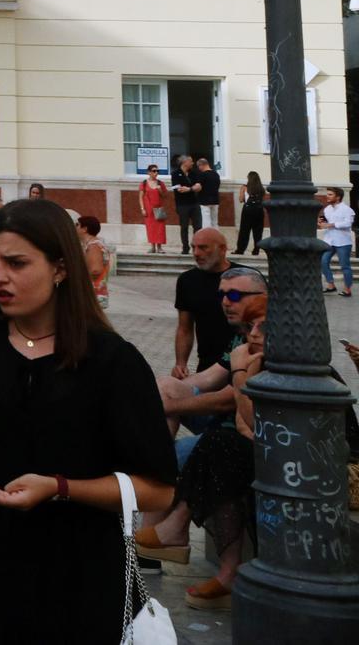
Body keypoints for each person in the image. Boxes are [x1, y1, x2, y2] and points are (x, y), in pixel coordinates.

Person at [0, 199, 176, 645]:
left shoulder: (113, 361)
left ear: (60, 268)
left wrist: (60, 488)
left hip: (82, 577)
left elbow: (157, 487)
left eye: (17, 263)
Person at [139, 264, 268, 567]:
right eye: (222, 295)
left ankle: (156, 540)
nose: (225, 302)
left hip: (248, 433)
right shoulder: (243, 333)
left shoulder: (267, 333)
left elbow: (231, 400)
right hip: (229, 426)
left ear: (263, 295)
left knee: (167, 455)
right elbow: (206, 379)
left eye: (234, 295)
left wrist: (169, 405)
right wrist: (156, 396)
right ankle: (150, 539)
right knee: (165, 388)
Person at [172, 312, 267, 612]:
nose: (253, 334)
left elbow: (252, 424)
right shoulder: (255, 358)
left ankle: (175, 529)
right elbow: (244, 423)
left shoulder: (270, 362)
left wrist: (239, 371)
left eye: (262, 328)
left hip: (318, 465)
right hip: (263, 448)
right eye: (250, 327)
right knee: (221, 446)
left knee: (216, 449)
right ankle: (170, 534)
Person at [172, 228, 234, 383]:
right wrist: (180, 363)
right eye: (193, 247)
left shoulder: (244, 278)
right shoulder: (187, 281)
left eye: (203, 247)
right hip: (206, 365)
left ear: (222, 249)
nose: (196, 253)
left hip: (242, 363)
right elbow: (185, 328)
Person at [320, 185, 354, 295]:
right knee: (323, 261)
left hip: (343, 241)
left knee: (345, 266)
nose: (327, 197)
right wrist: (321, 223)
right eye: (327, 194)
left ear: (338, 197)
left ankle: (347, 289)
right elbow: (325, 221)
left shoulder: (347, 210)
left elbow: (348, 223)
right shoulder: (327, 209)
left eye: (330, 195)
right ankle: (331, 285)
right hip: (329, 240)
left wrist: (332, 224)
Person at [76, 214, 109, 305]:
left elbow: (95, 270)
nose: (75, 228)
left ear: (85, 229)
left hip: (91, 293)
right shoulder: (92, 244)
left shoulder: (93, 246)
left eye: (77, 225)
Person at [170, 154, 200, 254]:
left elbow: (198, 187)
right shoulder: (175, 173)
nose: (192, 163)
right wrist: (192, 188)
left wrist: (189, 189)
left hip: (194, 203)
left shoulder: (194, 173)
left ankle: (196, 247)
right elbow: (179, 189)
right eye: (191, 161)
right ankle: (185, 247)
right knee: (184, 227)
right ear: (185, 162)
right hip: (182, 204)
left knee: (198, 226)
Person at [140, 164, 170, 254]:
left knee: (160, 228)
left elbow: (165, 196)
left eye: (157, 171)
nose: (156, 173)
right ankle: (152, 247)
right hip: (149, 209)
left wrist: (160, 190)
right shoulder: (144, 183)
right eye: (154, 171)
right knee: (151, 228)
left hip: (158, 209)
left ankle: (159, 247)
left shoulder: (160, 183)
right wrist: (142, 208)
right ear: (148, 172)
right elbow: (140, 197)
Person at [234, 170, 265, 256]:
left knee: (244, 230)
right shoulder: (261, 189)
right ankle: (256, 250)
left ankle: (240, 249)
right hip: (259, 210)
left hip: (248, 210)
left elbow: (241, 200)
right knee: (258, 231)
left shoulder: (244, 187)